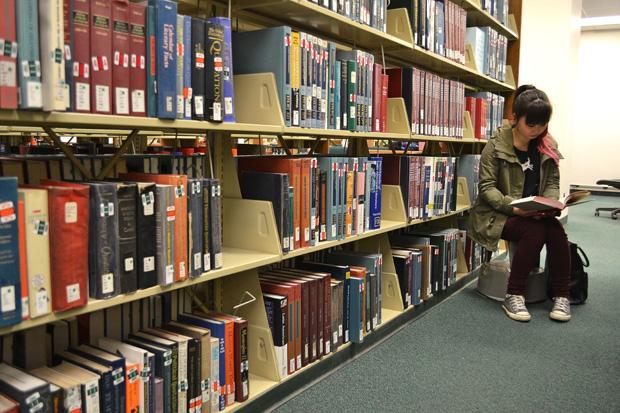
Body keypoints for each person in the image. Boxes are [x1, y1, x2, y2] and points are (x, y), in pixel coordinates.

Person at [468, 85, 571, 322]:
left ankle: (562, 295)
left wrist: (550, 203)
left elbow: (552, 181)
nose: (537, 130)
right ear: (515, 118)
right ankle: (514, 294)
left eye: (542, 124)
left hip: (535, 213)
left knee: (556, 230)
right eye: (531, 124)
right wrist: (513, 207)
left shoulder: (547, 145)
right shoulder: (496, 146)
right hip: (497, 214)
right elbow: (487, 189)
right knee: (535, 231)